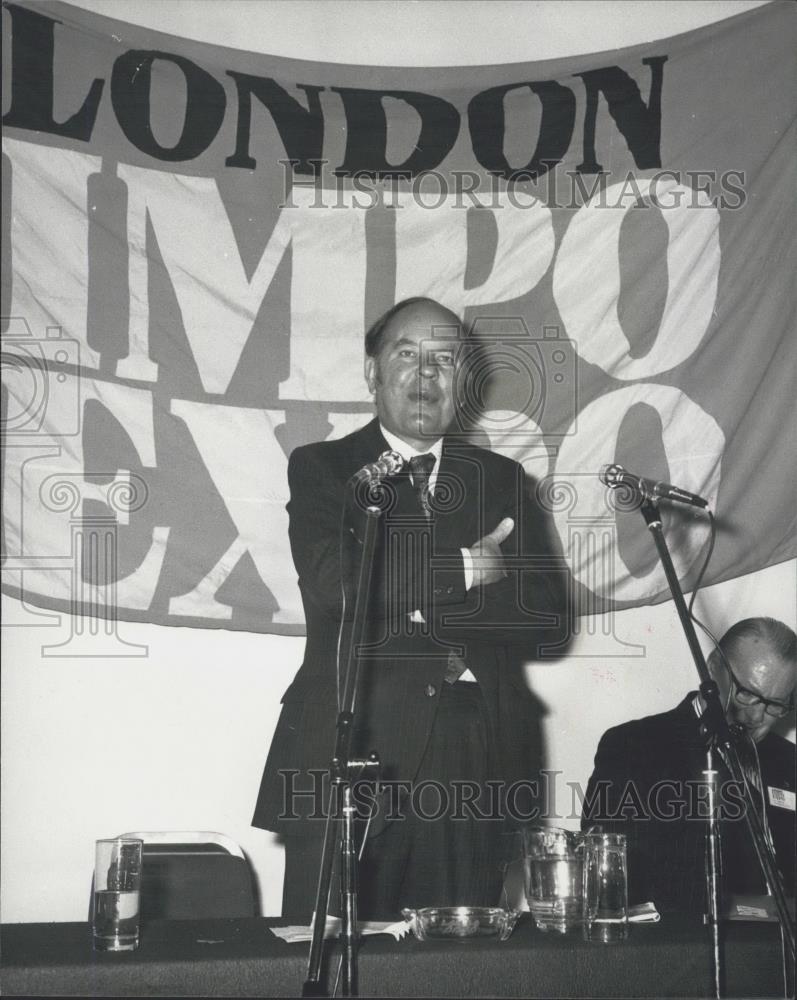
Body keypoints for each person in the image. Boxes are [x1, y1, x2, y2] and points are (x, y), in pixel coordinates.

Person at [252, 297, 570, 921]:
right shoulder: (324, 468)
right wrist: (467, 570)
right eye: (406, 354)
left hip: (475, 750)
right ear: (372, 372)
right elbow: (336, 584)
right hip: (353, 740)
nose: (426, 374)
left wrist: (417, 605)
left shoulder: (503, 480)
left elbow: (546, 617)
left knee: (457, 956)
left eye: (444, 360)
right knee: (333, 952)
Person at [581, 618, 796, 913]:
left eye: (775, 704)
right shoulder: (634, 746)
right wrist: (736, 908)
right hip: (688, 937)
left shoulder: (789, 760)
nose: (757, 716)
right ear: (712, 668)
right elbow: (614, 877)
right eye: (746, 693)